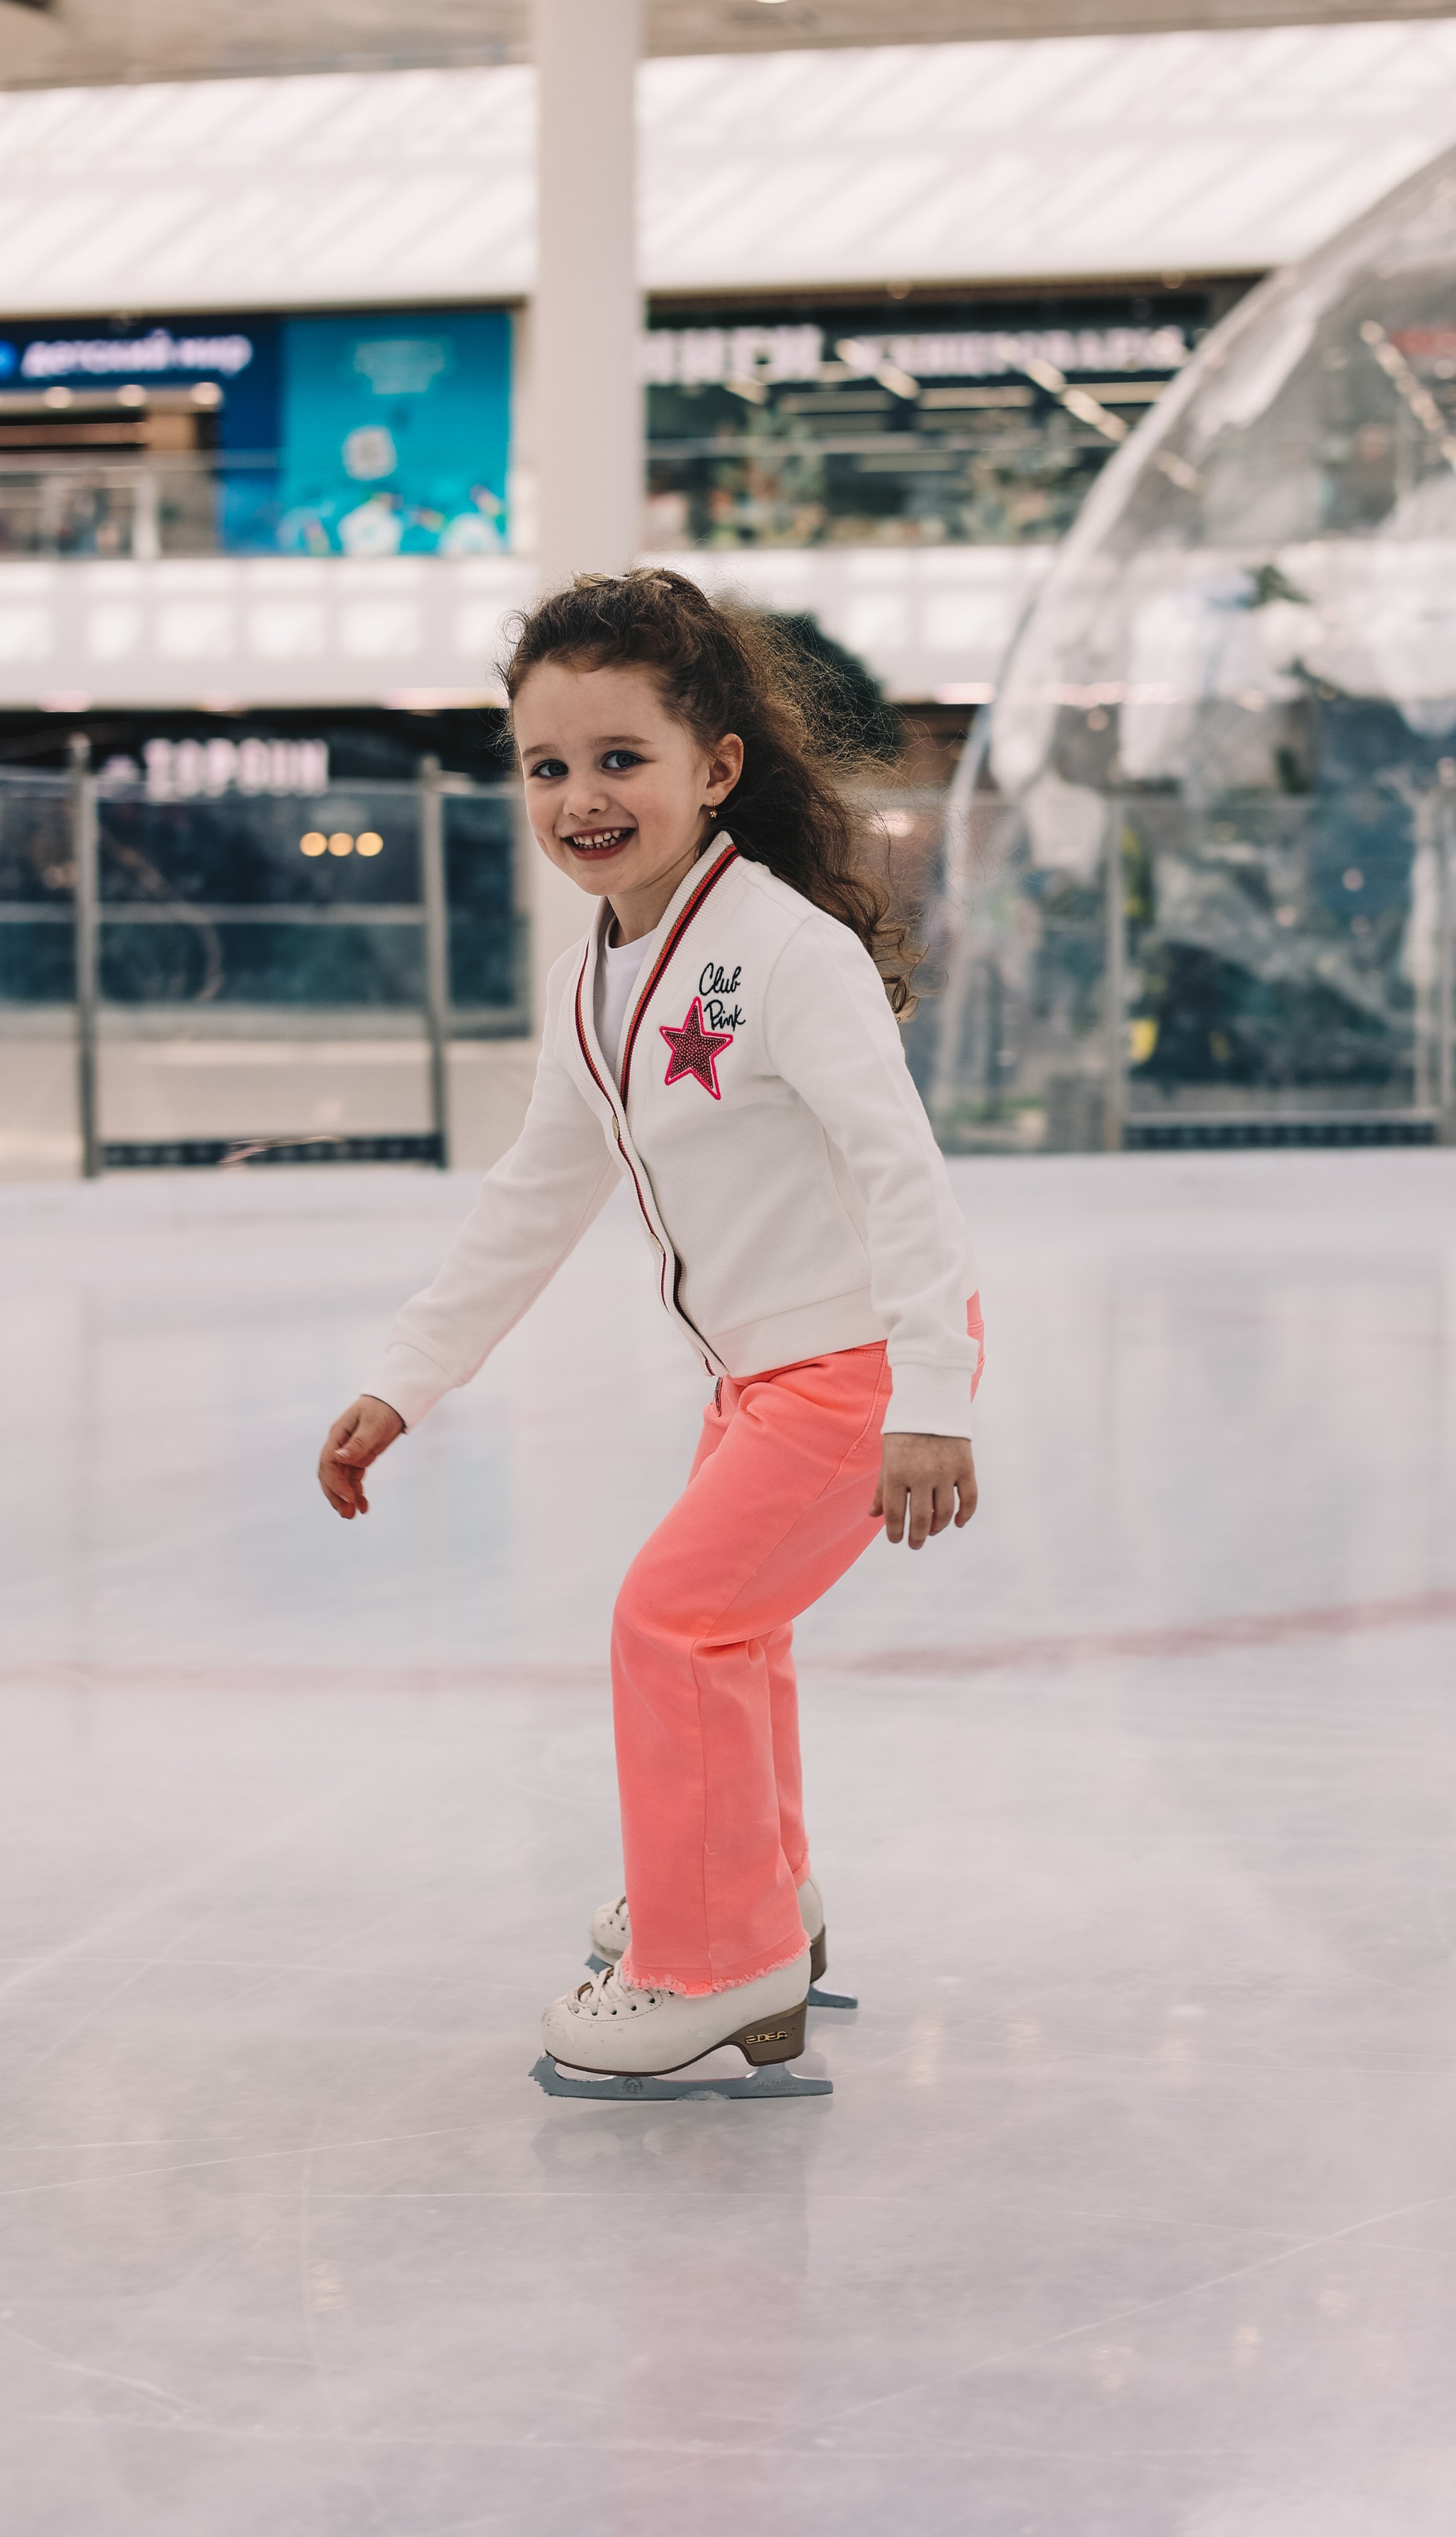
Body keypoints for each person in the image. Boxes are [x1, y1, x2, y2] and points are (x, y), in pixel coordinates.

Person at [314, 570, 982, 2080]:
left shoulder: (787, 953)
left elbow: (903, 1171)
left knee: (673, 1623)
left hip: (856, 1363)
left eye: (622, 759)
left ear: (714, 769)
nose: (581, 798)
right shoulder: (592, 981)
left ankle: (711, 1958)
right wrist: (405, 1379)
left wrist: (929, 1394)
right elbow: (532, 1198)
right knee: (726, 1633)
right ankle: (755, 1900)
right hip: (765, 1374)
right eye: (548, 766)